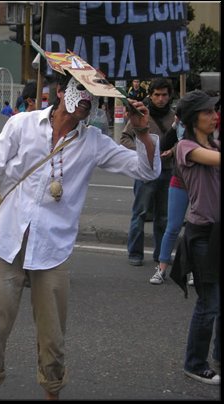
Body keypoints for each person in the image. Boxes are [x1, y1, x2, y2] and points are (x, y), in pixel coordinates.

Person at [0, 69, 161, 400]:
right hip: (7, 241)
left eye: (94, 96)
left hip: (52, 252)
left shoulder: (93, 143)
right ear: (60, 92)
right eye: (81, 91)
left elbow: (147, 170)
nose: (87, 101)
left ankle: (52, 393)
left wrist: (143, 133)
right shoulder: (21, 125)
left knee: (53, 341)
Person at [170, 90, 220, 385]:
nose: (214, 116)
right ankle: (194, 362)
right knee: (209, 302)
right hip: (201, 236)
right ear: (193, 118)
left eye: (215, 111)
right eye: (208, 112)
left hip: (218, 232)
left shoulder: (214, 144)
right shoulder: (185, 147)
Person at [120, 78, 175, 266]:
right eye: (157, 95)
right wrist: (144, 152)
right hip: (145, 173)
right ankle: (135, 253)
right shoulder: (141, 113)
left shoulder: (174, 117)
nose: (161, 99)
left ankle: (161, 255)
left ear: (169, 96)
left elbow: (182, 141)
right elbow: (125, 138)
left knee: (163, 217)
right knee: (140, 214)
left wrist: (172, 151)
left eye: (164, 95)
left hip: (167, 171)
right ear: (150, 95)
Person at [149, 105, 190, 285]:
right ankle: (162, 268)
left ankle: (195, 269)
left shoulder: (211, 131)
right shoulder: (180, 127)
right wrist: (175, 126)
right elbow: (165, 144)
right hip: (179, 180)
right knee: (172, 226)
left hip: (202, 183)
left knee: (198, 228)